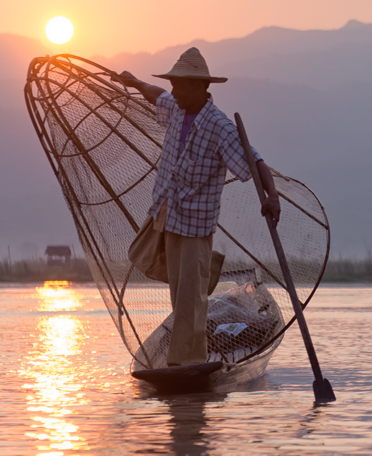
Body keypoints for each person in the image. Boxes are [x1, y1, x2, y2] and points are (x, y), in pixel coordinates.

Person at [120, 47, 280, 366]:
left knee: (191, 300)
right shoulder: (178, 108)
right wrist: (134, 81)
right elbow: (156, 95)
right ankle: (205, 276)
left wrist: (272, 195)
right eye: (174, 84)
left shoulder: (219, 127)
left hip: (195, 225)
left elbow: (254, 159)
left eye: (180, 85)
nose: (174, 90)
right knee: (172, 284)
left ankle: (186, 362)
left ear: (199, 87)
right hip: (167, 214)